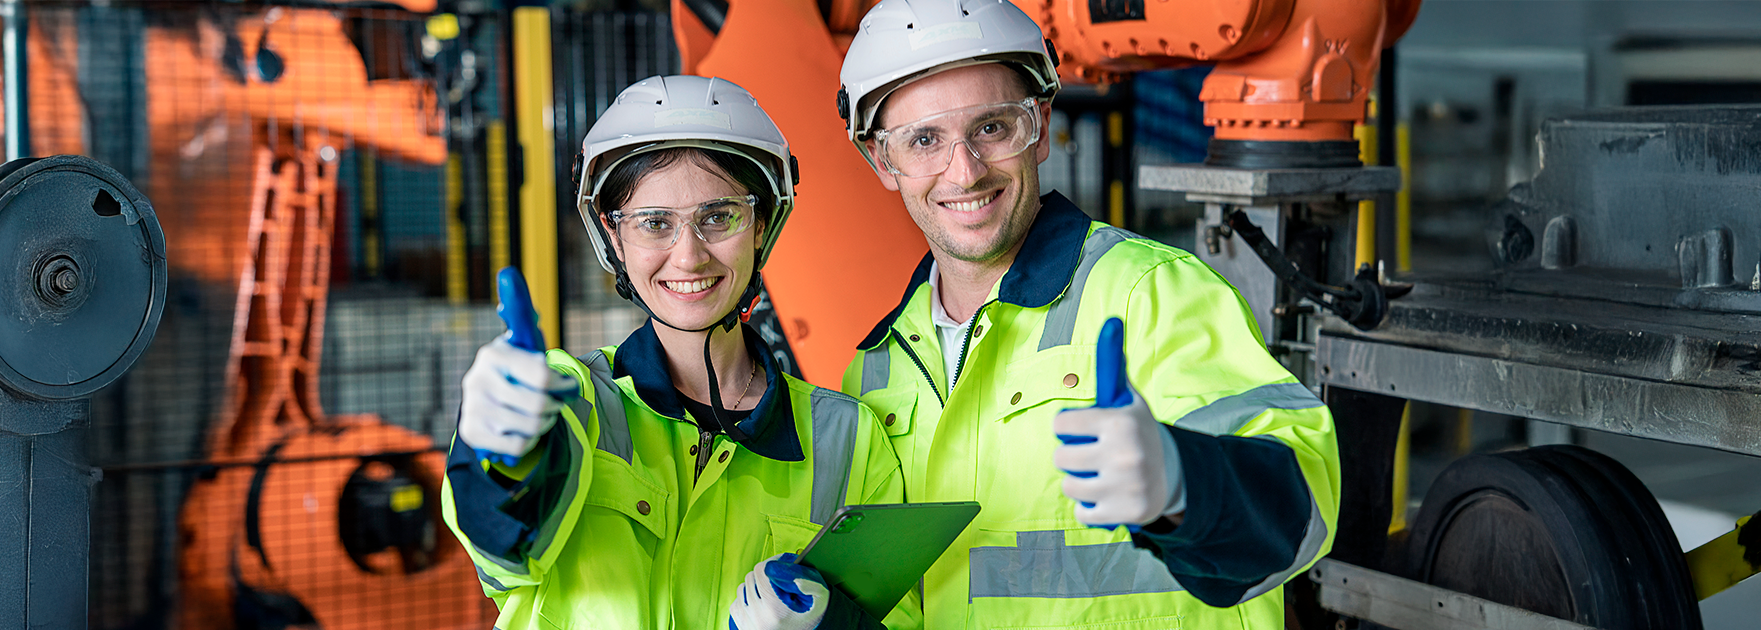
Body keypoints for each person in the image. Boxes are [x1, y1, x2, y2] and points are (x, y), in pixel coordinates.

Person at [834, 1, 1342, 627]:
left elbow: (1306, 511)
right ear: (882, 162)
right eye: (924, 140)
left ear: (1040, 128)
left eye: (992, 127)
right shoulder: (877, 368)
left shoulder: (1154, 295)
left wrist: (1185, 486)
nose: (963, 171)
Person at [440, 75, 909, 630]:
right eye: (654, 223)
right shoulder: (577, 401)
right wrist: (499, 456)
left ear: (761, 226)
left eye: (718, 217)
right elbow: (505, 554)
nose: (688, 257)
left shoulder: (848, 441)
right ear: (615, 240)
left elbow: (896, 616)